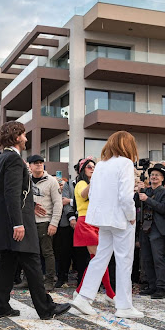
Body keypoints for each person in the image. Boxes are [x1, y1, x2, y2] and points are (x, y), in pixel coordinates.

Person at [0, 121, 70, 319]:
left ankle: (1, 306)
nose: (26, 138)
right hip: (16, 222)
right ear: (17, 137)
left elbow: (11, 193)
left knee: (6, 264)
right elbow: (11, 192)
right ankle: (45, 308)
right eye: (24, 135)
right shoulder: (14, 160)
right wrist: (18, 223)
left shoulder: (2, 158)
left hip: (5, 221)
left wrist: (30, 205)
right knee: (33, 262)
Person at [70, 131, 142, 318]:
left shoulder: (101, 165)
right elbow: (126, 196)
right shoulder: (125, 163)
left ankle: (84, 297)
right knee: (124, 260)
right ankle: (124, 306)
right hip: (120, 218)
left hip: (102, 219)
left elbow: (93, 193)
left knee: (101, 257)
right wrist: (131, 215)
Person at [73, 157, 115, 303]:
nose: (92, 168)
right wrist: (95, 179)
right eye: (89, 166)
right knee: (99, 259)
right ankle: (110, 293)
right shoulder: (81, 183)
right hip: (85, 222)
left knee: (97, 259)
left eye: (94, 166)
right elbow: (84, 194)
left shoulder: (97, 184)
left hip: (97, 222)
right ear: (82, 169)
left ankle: (79, 291)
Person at [136, 163, 165, 299]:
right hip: (144, 227)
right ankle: (152, 286)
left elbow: (164, 209)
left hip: (157, 228)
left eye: (157, 175)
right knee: (146, 258)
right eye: (152, 175)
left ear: (162, 178)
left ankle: (161, 288)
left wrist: (147, 200)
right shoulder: (147, 191)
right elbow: (135, 204)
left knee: (158, 259)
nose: (154, 177)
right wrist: (138, 192)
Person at [27, 154, 63, 291]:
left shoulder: (52, 181)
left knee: (47, 252)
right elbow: (19, 198)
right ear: (30, 166)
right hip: (29, 222)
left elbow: (58, 203)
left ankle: (49, 280)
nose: (39, 164)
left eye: (41, 162)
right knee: (29, 253)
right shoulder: (26, 180)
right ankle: (29, 279)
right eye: (35, 163)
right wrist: (32, 206)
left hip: (45, 221)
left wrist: (54, 223)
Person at [54, 174, 78, 288]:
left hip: (84, 221)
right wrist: (71, 217)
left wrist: (71, 201)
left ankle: (81, 278)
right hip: (65, 223)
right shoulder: (69, 184)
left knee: (81, 254)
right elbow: (64, 202)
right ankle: (61, 277)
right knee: (63, 252)